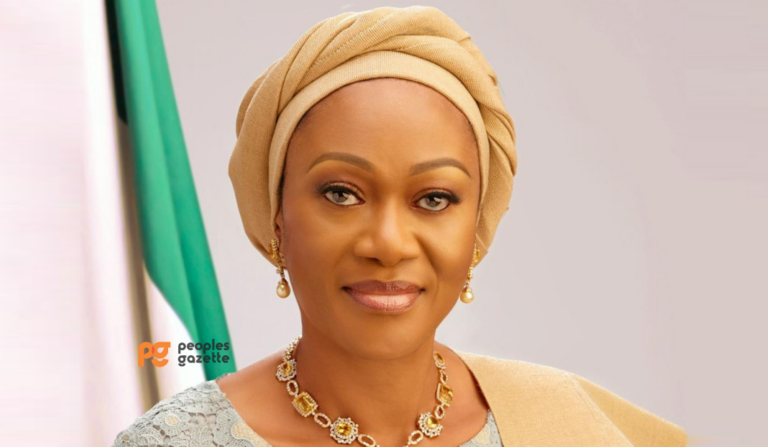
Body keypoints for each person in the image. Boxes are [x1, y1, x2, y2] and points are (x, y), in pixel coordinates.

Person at [112, 6, 687, 447]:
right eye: (341, 194)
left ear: (476, 227)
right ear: (276, 216)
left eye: (434, 198)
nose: (388, 244)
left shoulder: (565, 424)